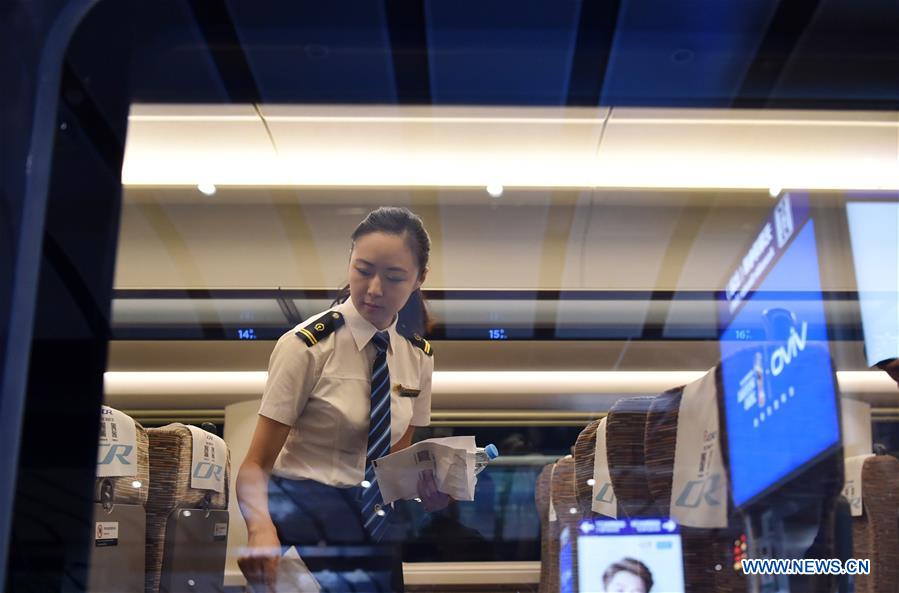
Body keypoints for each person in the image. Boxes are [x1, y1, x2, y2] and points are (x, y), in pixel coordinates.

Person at [236, 207, 448, 593]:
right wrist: (259, 527)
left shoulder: (419, 355)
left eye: (395, 277)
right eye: (363, 270)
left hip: (376, 528)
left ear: (420, 279)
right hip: (305, 520)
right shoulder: (307, 347)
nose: (374, 289)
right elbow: (255, 464)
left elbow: (393, 463)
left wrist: (426, 486)